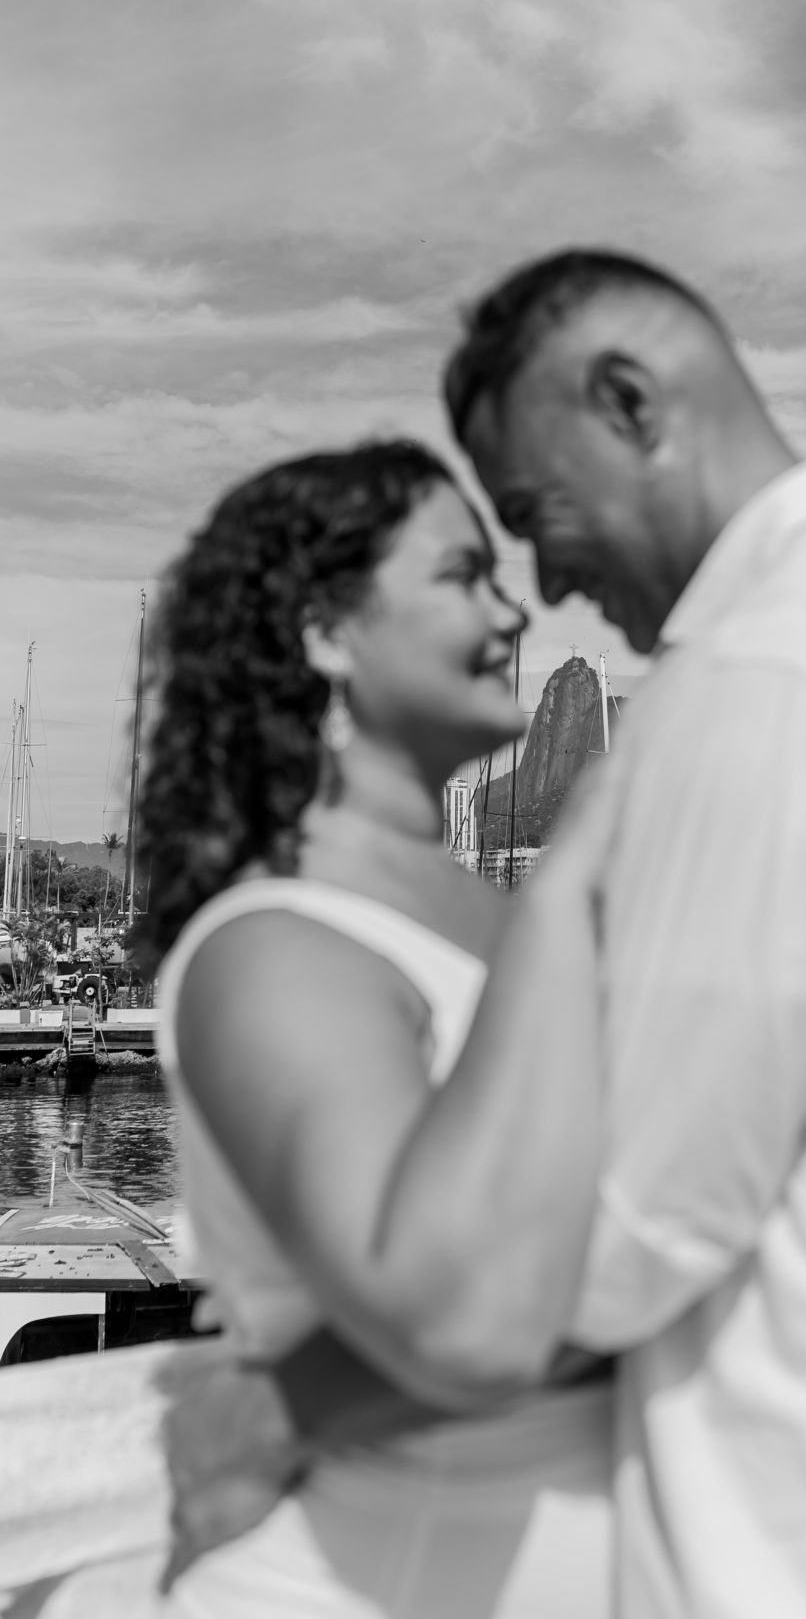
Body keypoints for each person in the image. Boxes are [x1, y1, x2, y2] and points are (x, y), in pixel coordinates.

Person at [168, 251, 806, 1618]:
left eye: (532, 516)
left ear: (633, 404)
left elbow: (612, 1229)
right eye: (482, 557)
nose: (540, 584)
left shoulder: (782, 676)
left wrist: (294, 1398)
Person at [141, 440, 616, 1617]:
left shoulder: (511, 915)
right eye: (463, 575)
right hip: (373, 1577)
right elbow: (452, 1316)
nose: (512, 613)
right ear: (325, 631)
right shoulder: (275, 948)